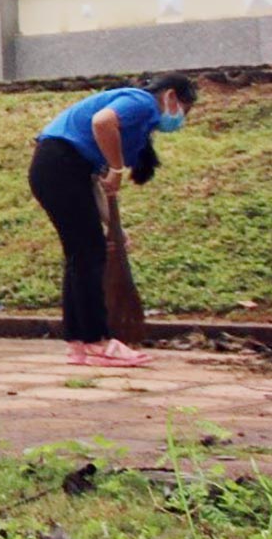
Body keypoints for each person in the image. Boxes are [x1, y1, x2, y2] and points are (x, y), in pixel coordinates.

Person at [31, 73, 198, 369]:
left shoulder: (140, 122)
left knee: (82, 253)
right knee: (88, 253)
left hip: (59, 167)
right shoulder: (143, 102)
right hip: (60, 165)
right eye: (185, 107)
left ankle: (79, 344)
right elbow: (102, 122)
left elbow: (95, 181)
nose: (181, 117)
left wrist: (116, 229)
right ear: (171, 97)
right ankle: (98, 341)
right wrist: (117, 169)